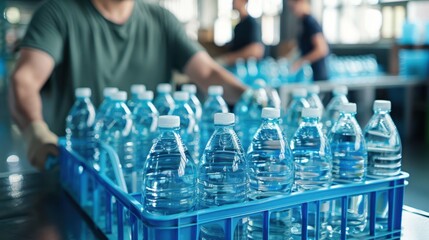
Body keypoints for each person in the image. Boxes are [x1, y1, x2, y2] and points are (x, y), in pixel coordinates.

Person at [8, 0, 246, 171]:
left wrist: (251, 98)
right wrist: (34, 130)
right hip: (79, 172)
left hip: (150, 171)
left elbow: (208, 72)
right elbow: (24, 79)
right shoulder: (58, 13)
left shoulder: (161, 20)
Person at [288, 0, 329, 81]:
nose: (292, 11)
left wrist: (300, 62)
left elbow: (322, 49)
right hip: (310, 74)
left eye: (293, 7)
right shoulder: (303, 22)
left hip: (317, 75)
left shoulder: (310, 22)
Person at [217, 0, 264, 66]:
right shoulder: (238, 26)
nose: (232, 2)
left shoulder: (251, 23)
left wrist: (229, 58)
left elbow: (256, 50)